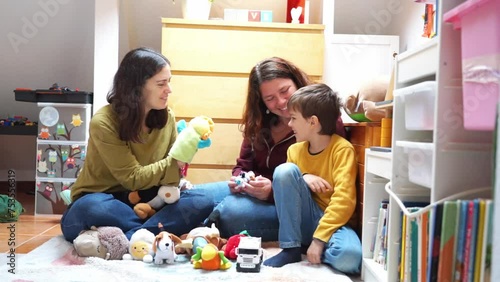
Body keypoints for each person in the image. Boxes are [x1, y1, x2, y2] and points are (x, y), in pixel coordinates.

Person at [60, 47, 214, 241]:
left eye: (169, 82)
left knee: (203, 200)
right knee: (89, 208)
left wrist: (179, 165)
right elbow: (132, 178)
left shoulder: (166, 118)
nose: (169, 90)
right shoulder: (104, 122)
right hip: (106, 199)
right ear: (136, 88)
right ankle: (156, 230)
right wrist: (177, 162)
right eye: (161, 84)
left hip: (150, 201)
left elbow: (171, 180)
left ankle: (132, 236)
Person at [194, 57, 346, 242]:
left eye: (284, 91)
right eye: (270, 98)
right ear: (262, 102)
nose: (281, 102)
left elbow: (325, 186)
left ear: (297, 83)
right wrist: (242, 178)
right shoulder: (259, 123)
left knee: (231, 212)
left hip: (293, 208)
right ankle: (151, 229)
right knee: (197, 195)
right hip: (252, 194)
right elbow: (243, 165)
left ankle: (201, 229)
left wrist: (272, 192)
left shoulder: (323, 122)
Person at [262, 83, 362, 274]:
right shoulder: (295, 151)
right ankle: (291, 248)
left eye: (293, 118)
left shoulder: (342, 149)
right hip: (304, 218)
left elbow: (344, 200)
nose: (289, 124)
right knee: (284, 171)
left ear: (313, 122)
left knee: (349, 258)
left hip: (332, 223)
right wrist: (304, 177)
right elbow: (289, 188)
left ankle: (312, 246)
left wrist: (319, 240)